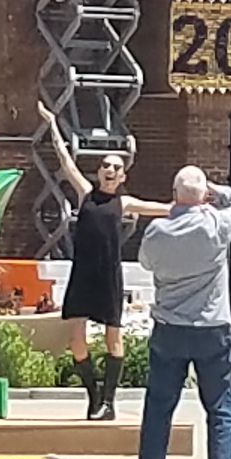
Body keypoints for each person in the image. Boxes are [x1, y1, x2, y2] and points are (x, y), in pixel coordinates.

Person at [129, 163, 231, 459]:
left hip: (169, 328)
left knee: (158, 408)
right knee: (220, 407)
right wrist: (217, 190)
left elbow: (146, 263)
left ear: (174, 195)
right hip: (212, 327)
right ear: (203, 197)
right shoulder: (217, 225)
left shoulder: (157, 231)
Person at [38, 107, 137, 417]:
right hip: (83, 276)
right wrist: (53, 124)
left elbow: (164, 208)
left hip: (109, 277)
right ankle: (94, 397)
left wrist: (192, 205)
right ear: (99, 171)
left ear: (122, 176)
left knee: (112, 337)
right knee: (77, 341)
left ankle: (109, 402)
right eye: (105, 165)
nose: (110, 170)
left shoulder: (124, 202)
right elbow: (66, 162)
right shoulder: (86, 194)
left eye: (116, 167)